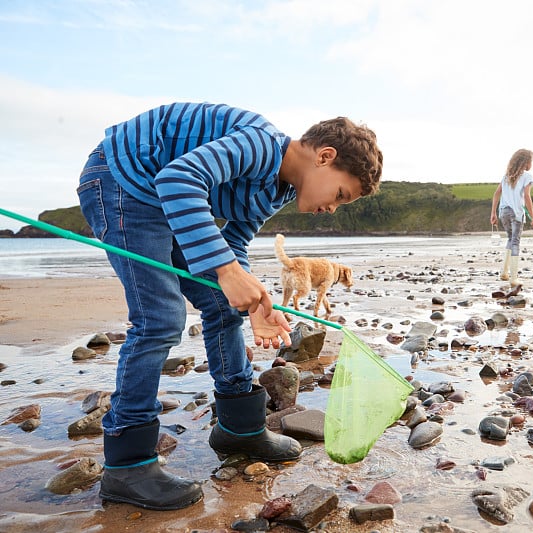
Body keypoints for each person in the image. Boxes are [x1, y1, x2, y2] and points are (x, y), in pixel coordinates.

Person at [77, 102, 383, 511]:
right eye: (341, 194)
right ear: (325, 157)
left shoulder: (279, 190)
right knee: (159, 319)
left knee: (225, 307)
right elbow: (178, 179)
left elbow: (234, 245)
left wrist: (254, 300)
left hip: (165, 198)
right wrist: (227, 272)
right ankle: (128, 464)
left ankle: (239, 427)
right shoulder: (260, 144)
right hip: (122, 182)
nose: (332, 207)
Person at [490, 149, 533, 285]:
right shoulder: (527, 176)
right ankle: (514, 278)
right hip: (516, 213)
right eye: (531, 161)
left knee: (510, 239)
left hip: (503, 212)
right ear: (526, 162)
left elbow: (496, 194)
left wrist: (493, 213)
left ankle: (504, 272)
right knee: (515, 241)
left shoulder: (507, 176)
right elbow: (527, 196)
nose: (531, 164)